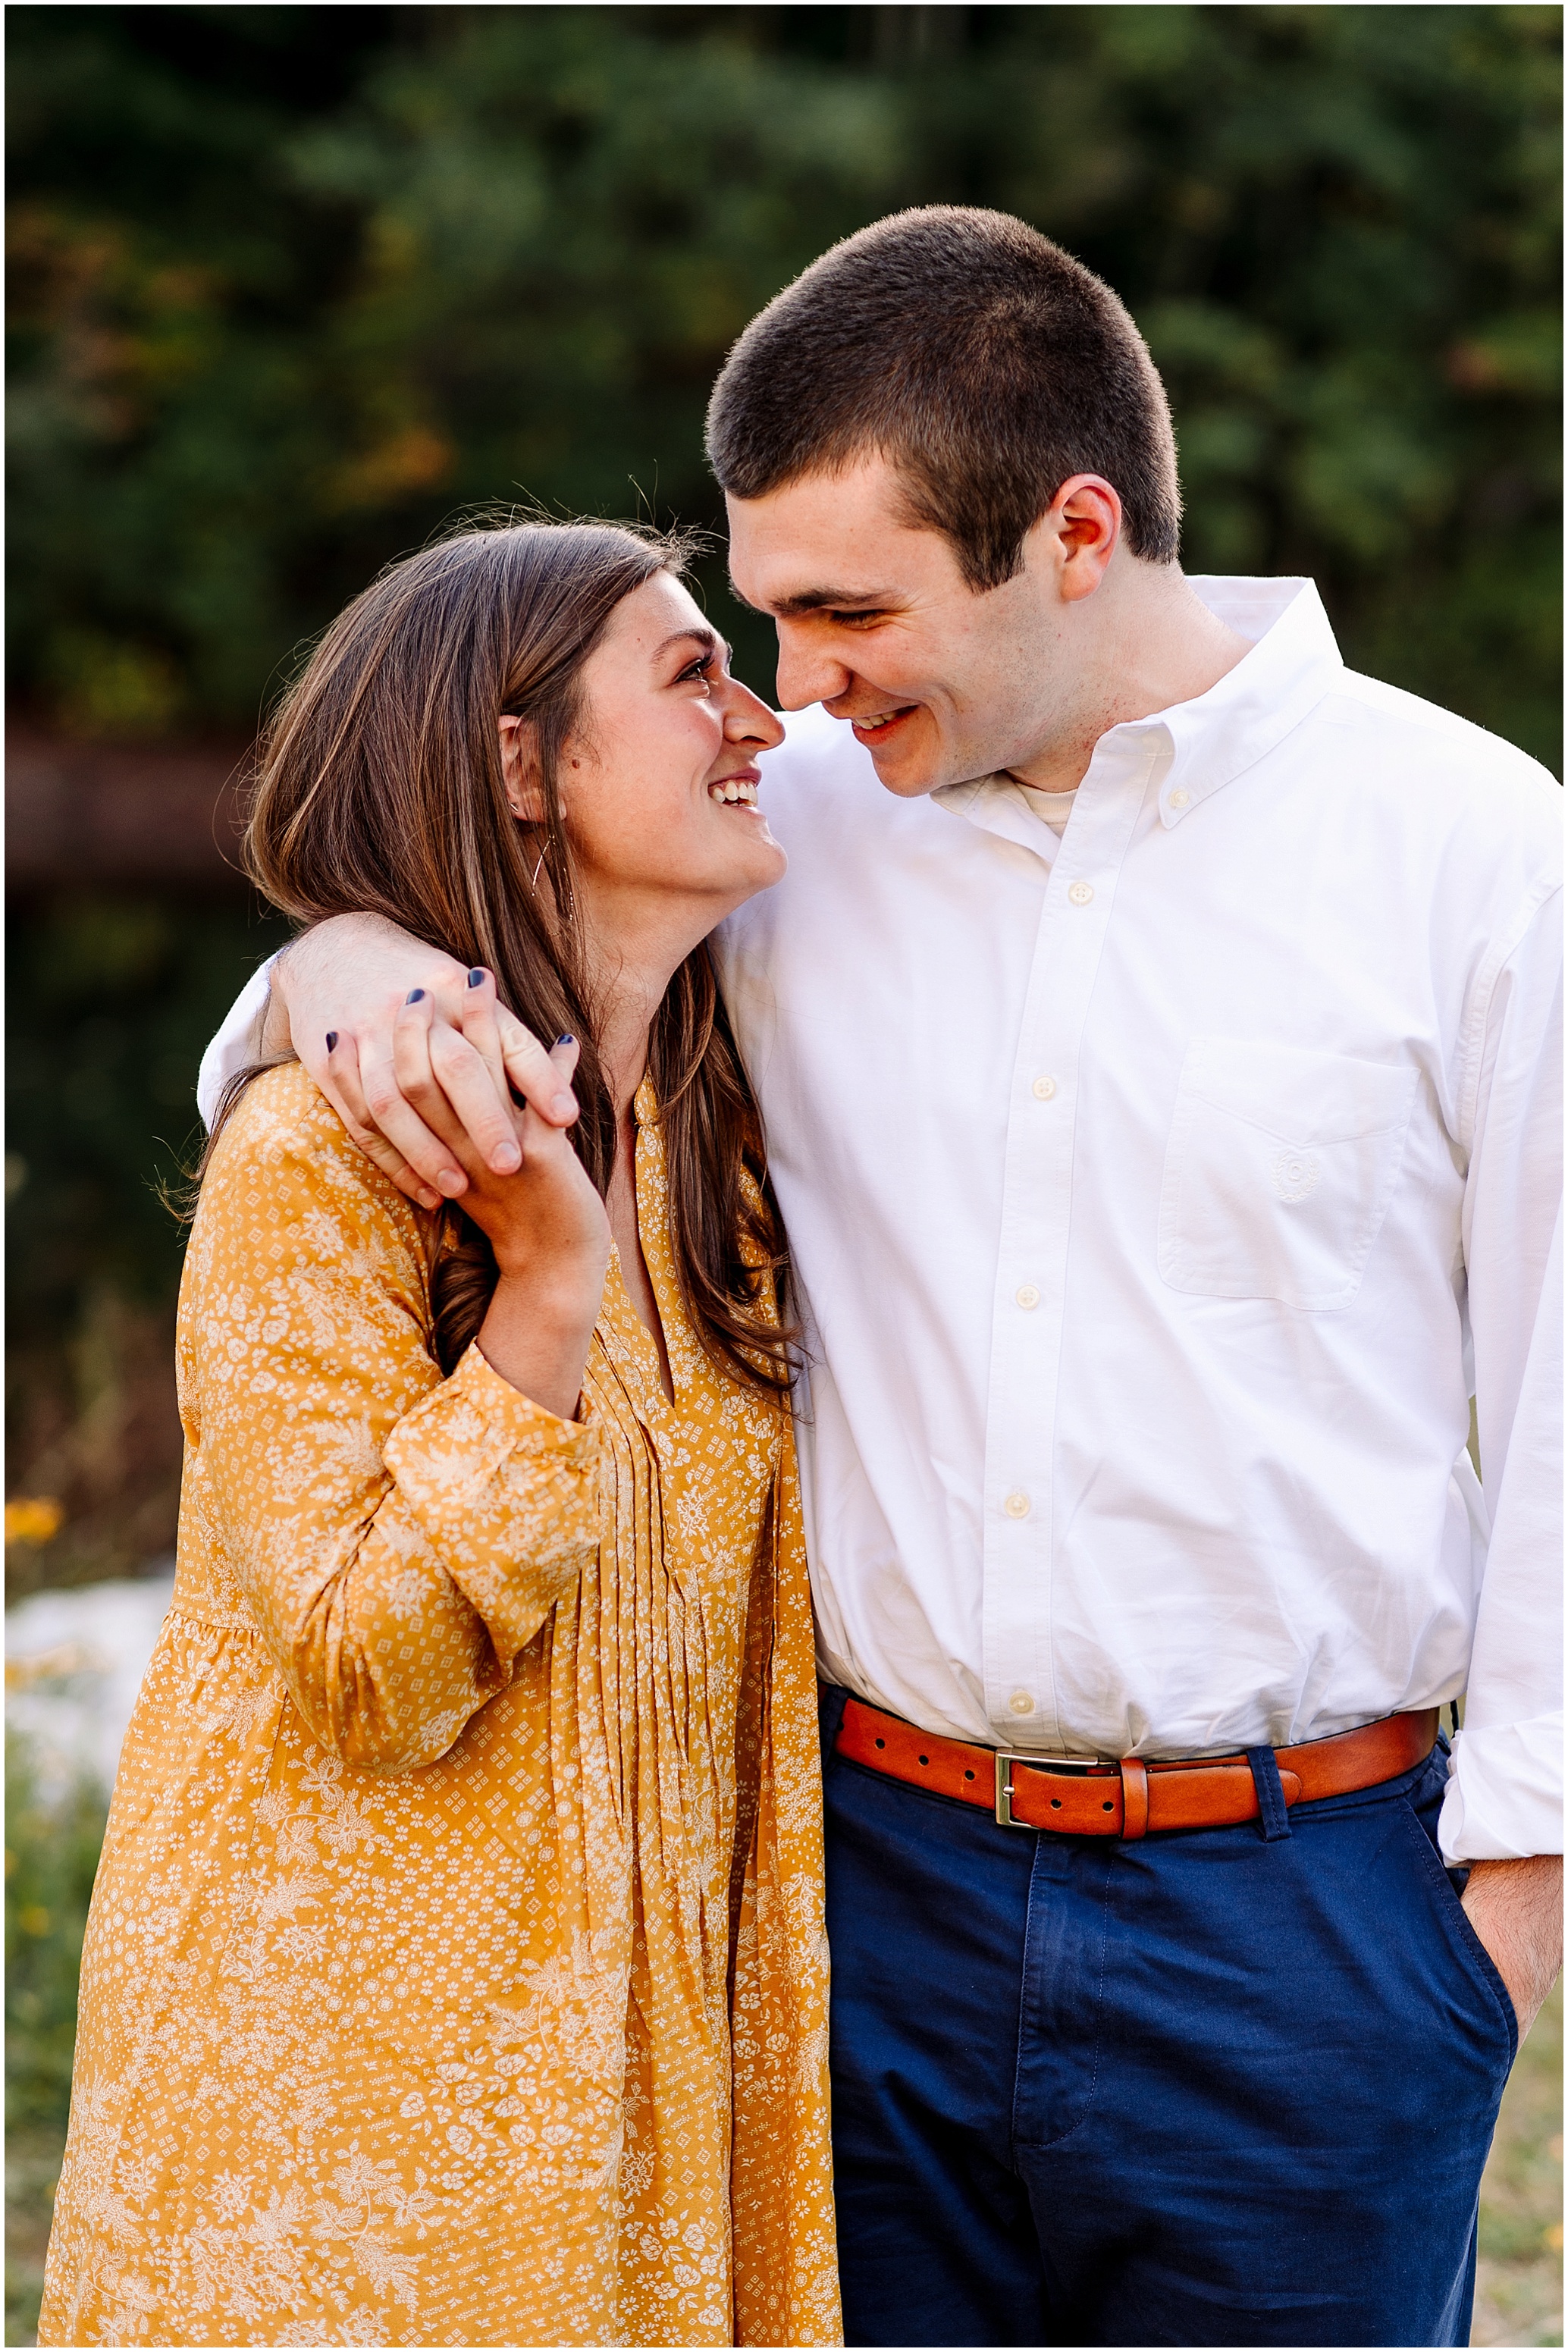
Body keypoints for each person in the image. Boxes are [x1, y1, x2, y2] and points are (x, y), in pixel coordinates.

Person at [199, 209, 1560, 2349]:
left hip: (1305, 1909)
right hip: (861, 1896)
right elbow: (448, 920)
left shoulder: (1473, 850)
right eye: (760, 620)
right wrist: (338, 963)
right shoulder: (798, 814)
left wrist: (1505, 1903)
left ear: (1075, 532)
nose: (795, 683)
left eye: (847, 611)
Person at [39, 521, 841, 2351]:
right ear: (514, 763)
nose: (759, 719)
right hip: (350, 2134)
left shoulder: (715, 1163)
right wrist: (542, 1293)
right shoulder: (320, 1165)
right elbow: (367, 1667)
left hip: (645, 2100)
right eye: (688, 672)